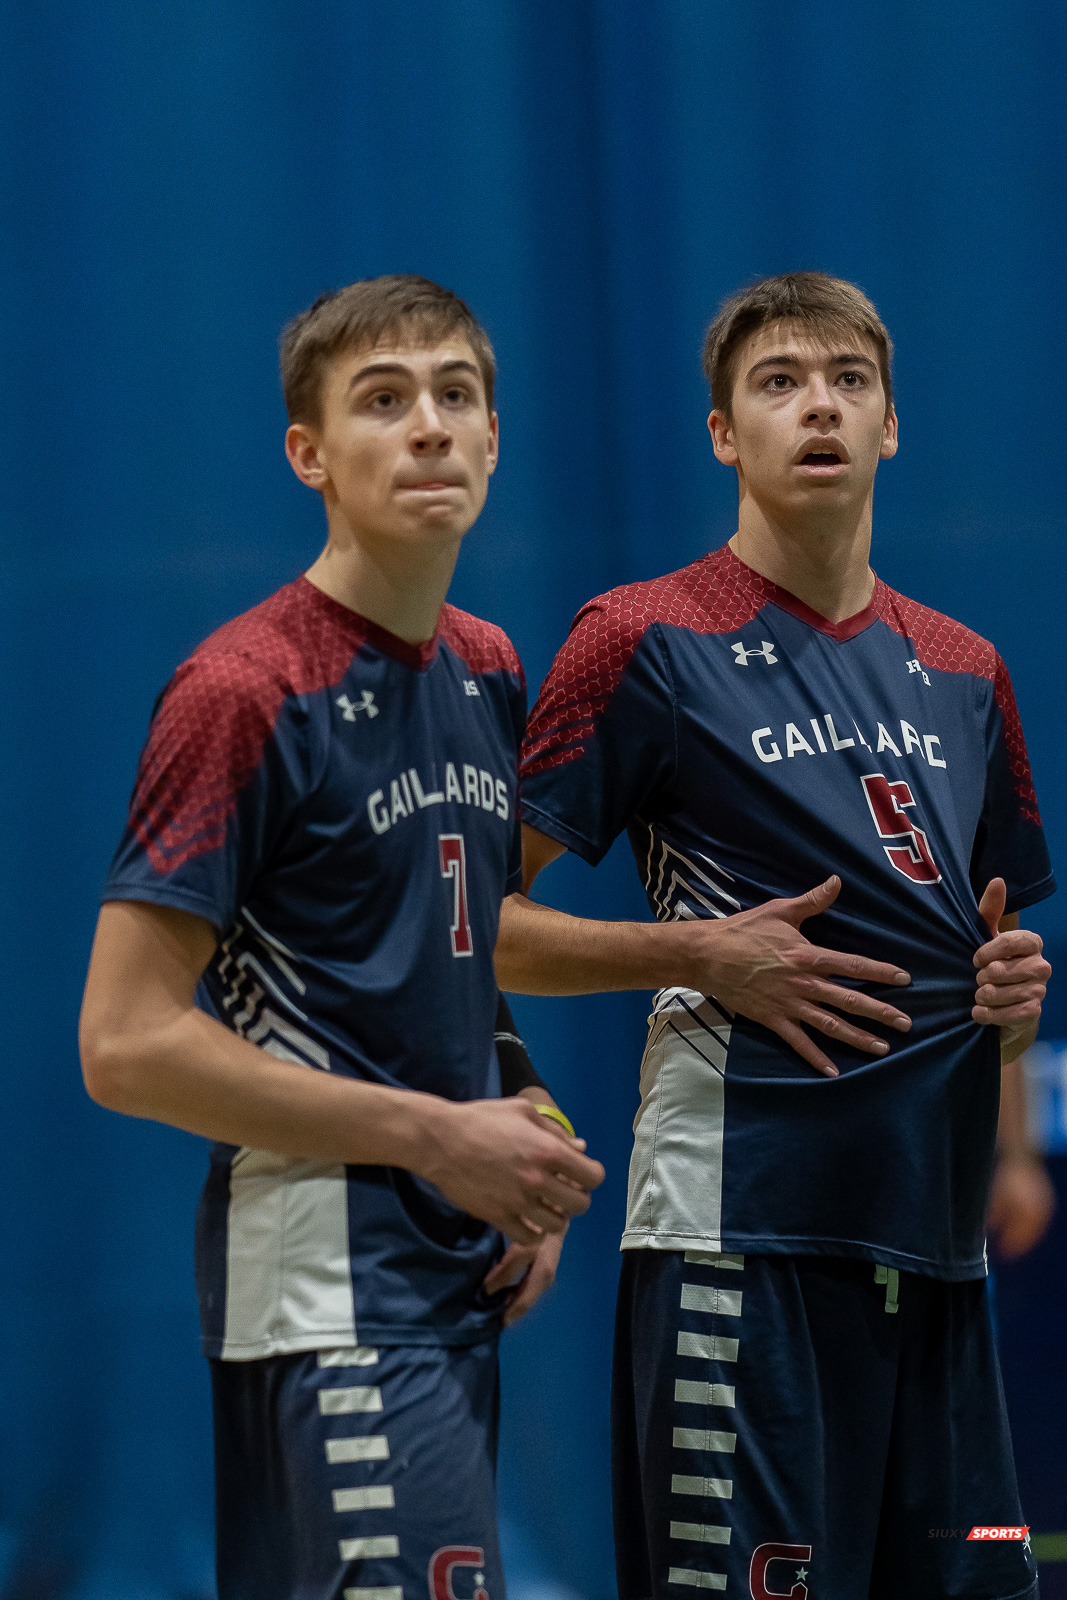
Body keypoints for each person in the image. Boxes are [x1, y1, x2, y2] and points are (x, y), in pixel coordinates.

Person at [496, 273, 1054, 1599]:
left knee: (980, 1579)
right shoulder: (642, 639)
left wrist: (1017, 1056)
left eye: (849, 381)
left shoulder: (967, 669)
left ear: (893, 424)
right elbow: (480, 929)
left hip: (935, 1259)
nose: (820, 407)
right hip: (738, 1246)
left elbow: (997, 937)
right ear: (721, 433)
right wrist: (693, 952)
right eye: (781, 382)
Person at [79, 274, 604, 1600]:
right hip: (326, 1291)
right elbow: (126, 1046)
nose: (428, 426)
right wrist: (440, 1136)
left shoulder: (486, 667)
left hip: (444, 1283)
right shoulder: (242, 689)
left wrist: (517, 1109)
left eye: (456, 396)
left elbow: (443, 957)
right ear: (311, 454)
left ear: (494, 437)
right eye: (384, 400)